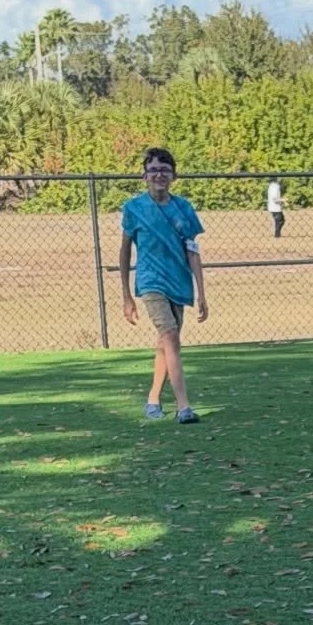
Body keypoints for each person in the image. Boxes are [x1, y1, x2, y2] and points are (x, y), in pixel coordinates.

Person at [118, 147, 207, 424]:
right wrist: (126, 296)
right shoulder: (134, 209)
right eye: (154, 170)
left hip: (178, 283)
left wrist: (202, 293)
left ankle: (153, 399)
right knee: (170, 337)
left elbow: (193, 251)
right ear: (144, 176)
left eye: (165, 170)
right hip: (150, 282)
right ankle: (183, 407)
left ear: (174, 176)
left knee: (165, 345)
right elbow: (124, 251)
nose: (159, 175)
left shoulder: (184, 209)